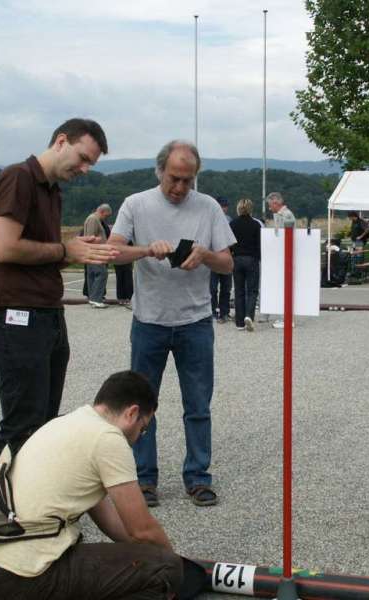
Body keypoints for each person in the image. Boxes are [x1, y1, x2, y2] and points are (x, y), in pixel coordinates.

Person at [0, 118, 117, 485]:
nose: (85, 169)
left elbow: (43, 250)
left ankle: (25, 515)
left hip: (46, 315)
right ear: (60, 141)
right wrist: (65, 250)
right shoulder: (19, 178)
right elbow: (5, 247)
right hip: (17, 316)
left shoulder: (51, 190)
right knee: (21, 426)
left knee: (41, 427)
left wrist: (71, 251)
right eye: (83, 158)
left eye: (91, 164)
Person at [0, 370, 183, 600]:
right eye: (144, 428)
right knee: (167, 570)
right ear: (132, 413)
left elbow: (111, 521)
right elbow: (142, 529)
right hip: (24, 578)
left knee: (146, 560)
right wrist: (172, 562)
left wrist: (140, 552)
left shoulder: (68, 422)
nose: (140, 436)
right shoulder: (108, 439)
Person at [109, 140, 236, 508]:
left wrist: (206, 254)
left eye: (188, 180)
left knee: (198, 404)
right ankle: (144, 479)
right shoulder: (136, 204)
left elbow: (227, 263)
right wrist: (146, 249)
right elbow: (113, 250)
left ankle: (198, 477)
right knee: (140, 406)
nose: (180, 188)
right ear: (160, 171)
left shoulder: (208, 206)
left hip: (195, 322)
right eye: (174, 179)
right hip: (148, 321)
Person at [229, 198, 262, 331]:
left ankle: (239, 322)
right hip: (251, 259)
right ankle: (249, 315)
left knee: (239, 291)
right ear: (250, 209)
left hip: (236, 259)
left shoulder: (232, 224)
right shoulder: (256, 225)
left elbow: (229, 242)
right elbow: (260, 244)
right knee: (252, 290)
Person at [267, 192, 295, 328]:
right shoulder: (281, 214)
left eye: (269, 205)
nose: (269, 208)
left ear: (276, 203)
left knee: (287, 286)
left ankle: (288, 319)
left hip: (287, 255)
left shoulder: (286, 215)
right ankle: (285, 317)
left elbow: (287, 235)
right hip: (282, 255)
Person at [83, 203, 113, 308]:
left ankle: (93, 298)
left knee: (92, 275)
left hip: (92, 252)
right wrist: (99, 241)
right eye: (106, 215)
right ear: (102, 211)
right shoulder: (93, 219)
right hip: (95, 252)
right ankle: (96, 299)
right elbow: (90, 237)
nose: (106, 218)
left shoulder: (94, 219)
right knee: (102, 274)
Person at [209, 196, 234, 323]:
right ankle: (212, 311)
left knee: (226, 287)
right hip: (213, 258)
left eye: (225, 206)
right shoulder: (210, 219)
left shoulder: (229, 220)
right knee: (212, 288)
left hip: (225, 256)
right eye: (222, 206)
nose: (224, 208)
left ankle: (224, 312)